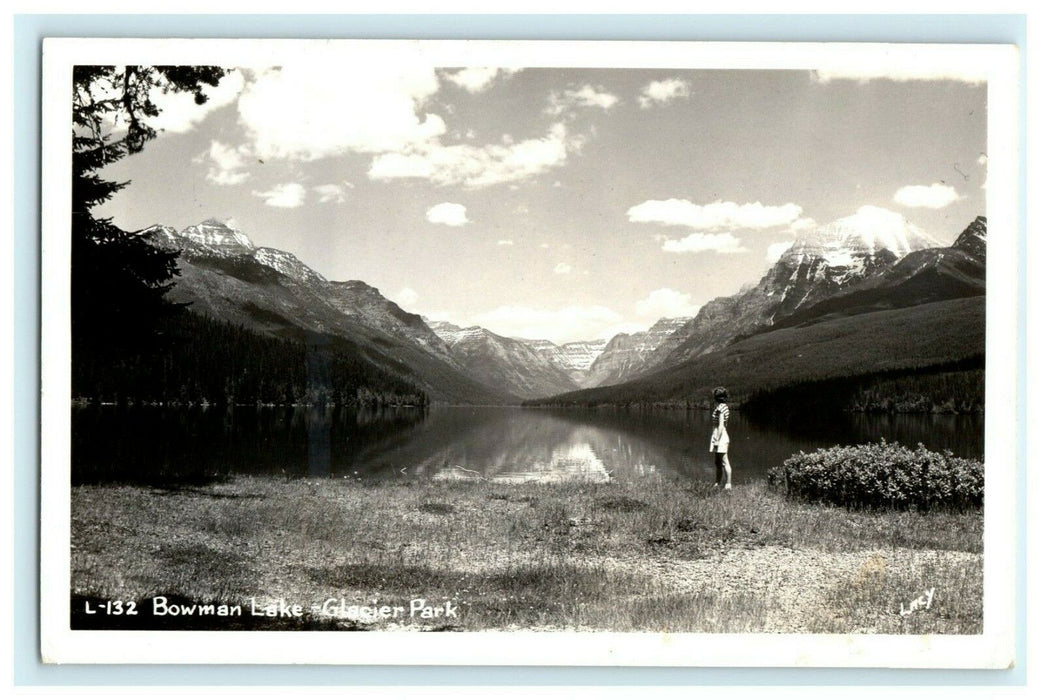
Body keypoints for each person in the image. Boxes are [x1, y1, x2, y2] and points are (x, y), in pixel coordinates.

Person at [710, 386, 732, 489]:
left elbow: (721, 425)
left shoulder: (720, 408)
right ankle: (717, 483)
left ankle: (728, 484)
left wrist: (716, 440)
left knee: (724, 461)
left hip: (721, 437)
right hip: (720, 435)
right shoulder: (724, 406)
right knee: (717, 461)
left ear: (716, 397)